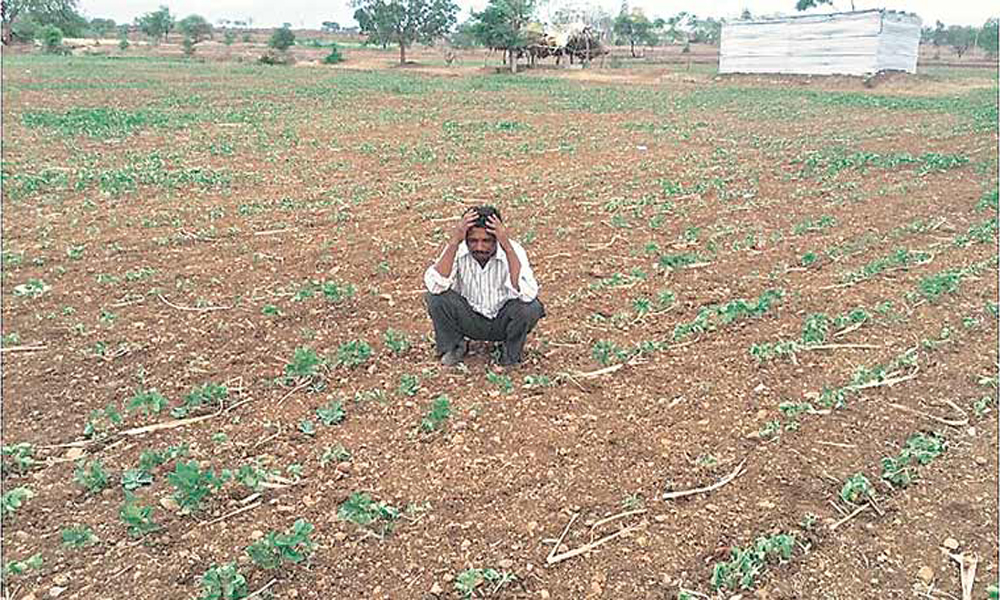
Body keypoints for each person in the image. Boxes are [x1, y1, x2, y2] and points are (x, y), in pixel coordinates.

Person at [423, 206, 545, 367]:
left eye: (487, 241)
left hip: (503, 320)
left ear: (497, 238)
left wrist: (507, 247)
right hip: (469, 318)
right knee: (436, 299)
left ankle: (510, 352)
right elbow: (435, 285)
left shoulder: (513, 250)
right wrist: (454, 241)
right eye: (473, 241)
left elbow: (528, 294)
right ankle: (454, 346)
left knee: (530, 308)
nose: (479, 247)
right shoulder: (457, 250)